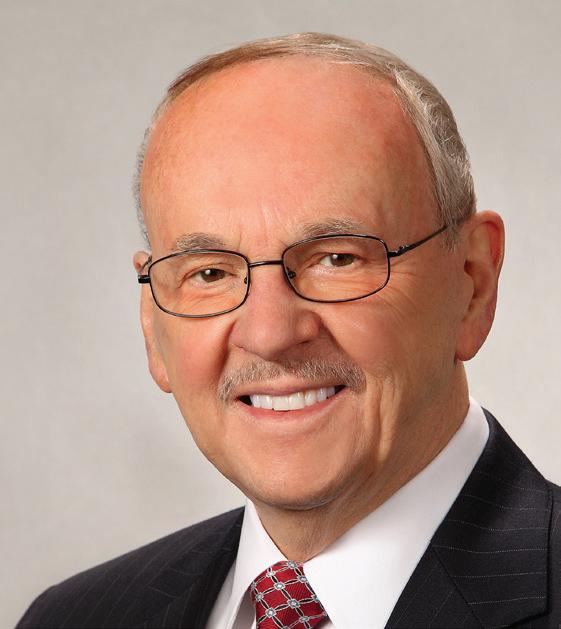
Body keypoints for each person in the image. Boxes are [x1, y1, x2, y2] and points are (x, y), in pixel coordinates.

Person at [17, 32, 560, 629]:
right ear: (153, 324)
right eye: (209, 273)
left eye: (337, 258)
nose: (270, 333)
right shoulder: (72, 618)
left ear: (472, 282)